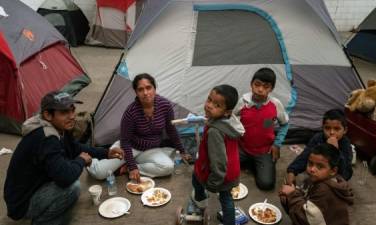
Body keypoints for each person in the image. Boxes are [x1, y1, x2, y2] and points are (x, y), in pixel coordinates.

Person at [3, 91, 124, 225]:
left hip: (37, 186)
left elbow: (75, 148)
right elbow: (65, 177)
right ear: (48, 115)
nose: (72, 116)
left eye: (72, 110)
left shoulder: (58, 127)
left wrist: (106, 153)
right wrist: (81, 160)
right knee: (73, 188)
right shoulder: (46, 139)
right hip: (22, 203)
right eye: (64, 112)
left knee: (69, 182)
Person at [87, 73, 191, 181]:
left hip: (150, 150)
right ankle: (91, 159)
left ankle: (127, 167)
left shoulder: (165, 106)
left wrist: (182, 151)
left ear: (154, 89)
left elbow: (171, 130)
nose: (145, 93)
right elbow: (125, 141)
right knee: (99, 173)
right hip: (129, 148)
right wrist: (132, 165)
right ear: (136, 93)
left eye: (148, 88)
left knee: (168, 167)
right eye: (140, 90)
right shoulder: (131, 112)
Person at [192, 84, 245, 225]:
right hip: (231, 170)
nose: (209, 106)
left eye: (217, 105)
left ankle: (201, 202)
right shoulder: (230, 123)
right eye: (209, 100)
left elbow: (219, 161)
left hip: (220, 173)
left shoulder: (215, 131)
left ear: (227, 112)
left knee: (196, 178)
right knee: (227, 198)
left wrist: (213, 183)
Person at [233, 67, 289, 190]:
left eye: (266, 87)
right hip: (242, 147)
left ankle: (258, 163)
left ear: (271, 89)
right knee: (222, 168)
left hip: (264, 150)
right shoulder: (243, 102)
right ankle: (252, 162)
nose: (260, 90)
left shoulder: (275, 104)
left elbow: (285, 124)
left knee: (266, 184)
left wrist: (277, 144)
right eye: (257, 85)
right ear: (251, 84)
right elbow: (231, 119)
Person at [279, 143, 354, 225]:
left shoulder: (324, 190)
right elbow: (304, 197)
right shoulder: (314, 179)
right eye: (310, 163)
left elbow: (307, 219)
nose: (312, 169)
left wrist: (292, 194)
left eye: (320, 166)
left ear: (333, 171)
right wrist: (288, 196)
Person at [286, 109, 353, 185]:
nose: (332, 132)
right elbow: (305, 156)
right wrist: (292, 171)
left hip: (334, 178)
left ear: (345, 130)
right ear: (322, 128)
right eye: (327, 128)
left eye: (337, 129)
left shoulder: (345, 144)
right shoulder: (318, 138)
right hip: (318, 173)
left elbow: (346, 173)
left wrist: (335, 150)